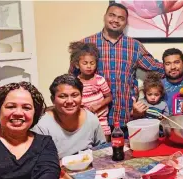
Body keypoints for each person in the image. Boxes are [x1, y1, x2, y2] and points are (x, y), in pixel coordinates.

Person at [69, 2, 164, 137]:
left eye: (121, 18)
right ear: (105, 16)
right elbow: (72, 80)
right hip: (93, 116)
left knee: (127, 156)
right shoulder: (87, 44)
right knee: (96, 156)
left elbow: (155, 67)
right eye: (112, 15)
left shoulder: (134, 46)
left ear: (125, 23)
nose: (115, 20)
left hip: (125, 116)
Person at [0, 82, 60, 179]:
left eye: (26, 107)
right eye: (11, 106)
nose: (18, 113)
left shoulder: (44, 142)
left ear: (35, 113)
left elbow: (48, 172)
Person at [32, 74, 106, 158]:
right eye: (63, 96)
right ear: (53, 100)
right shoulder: (42, 126)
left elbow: (101, 150)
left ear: (81, 97)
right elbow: (39, 162)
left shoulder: (91, 119)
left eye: (75, 95)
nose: (70, 101)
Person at [69, 42, 112, 139]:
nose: (89, 66)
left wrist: (99, 105)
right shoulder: (75, 82)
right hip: (83, 119)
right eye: (85, 63)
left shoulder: (99, 80)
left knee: (105, 143)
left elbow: (109, 97)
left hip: (101, 118)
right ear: (77, 65)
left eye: (92, 63)